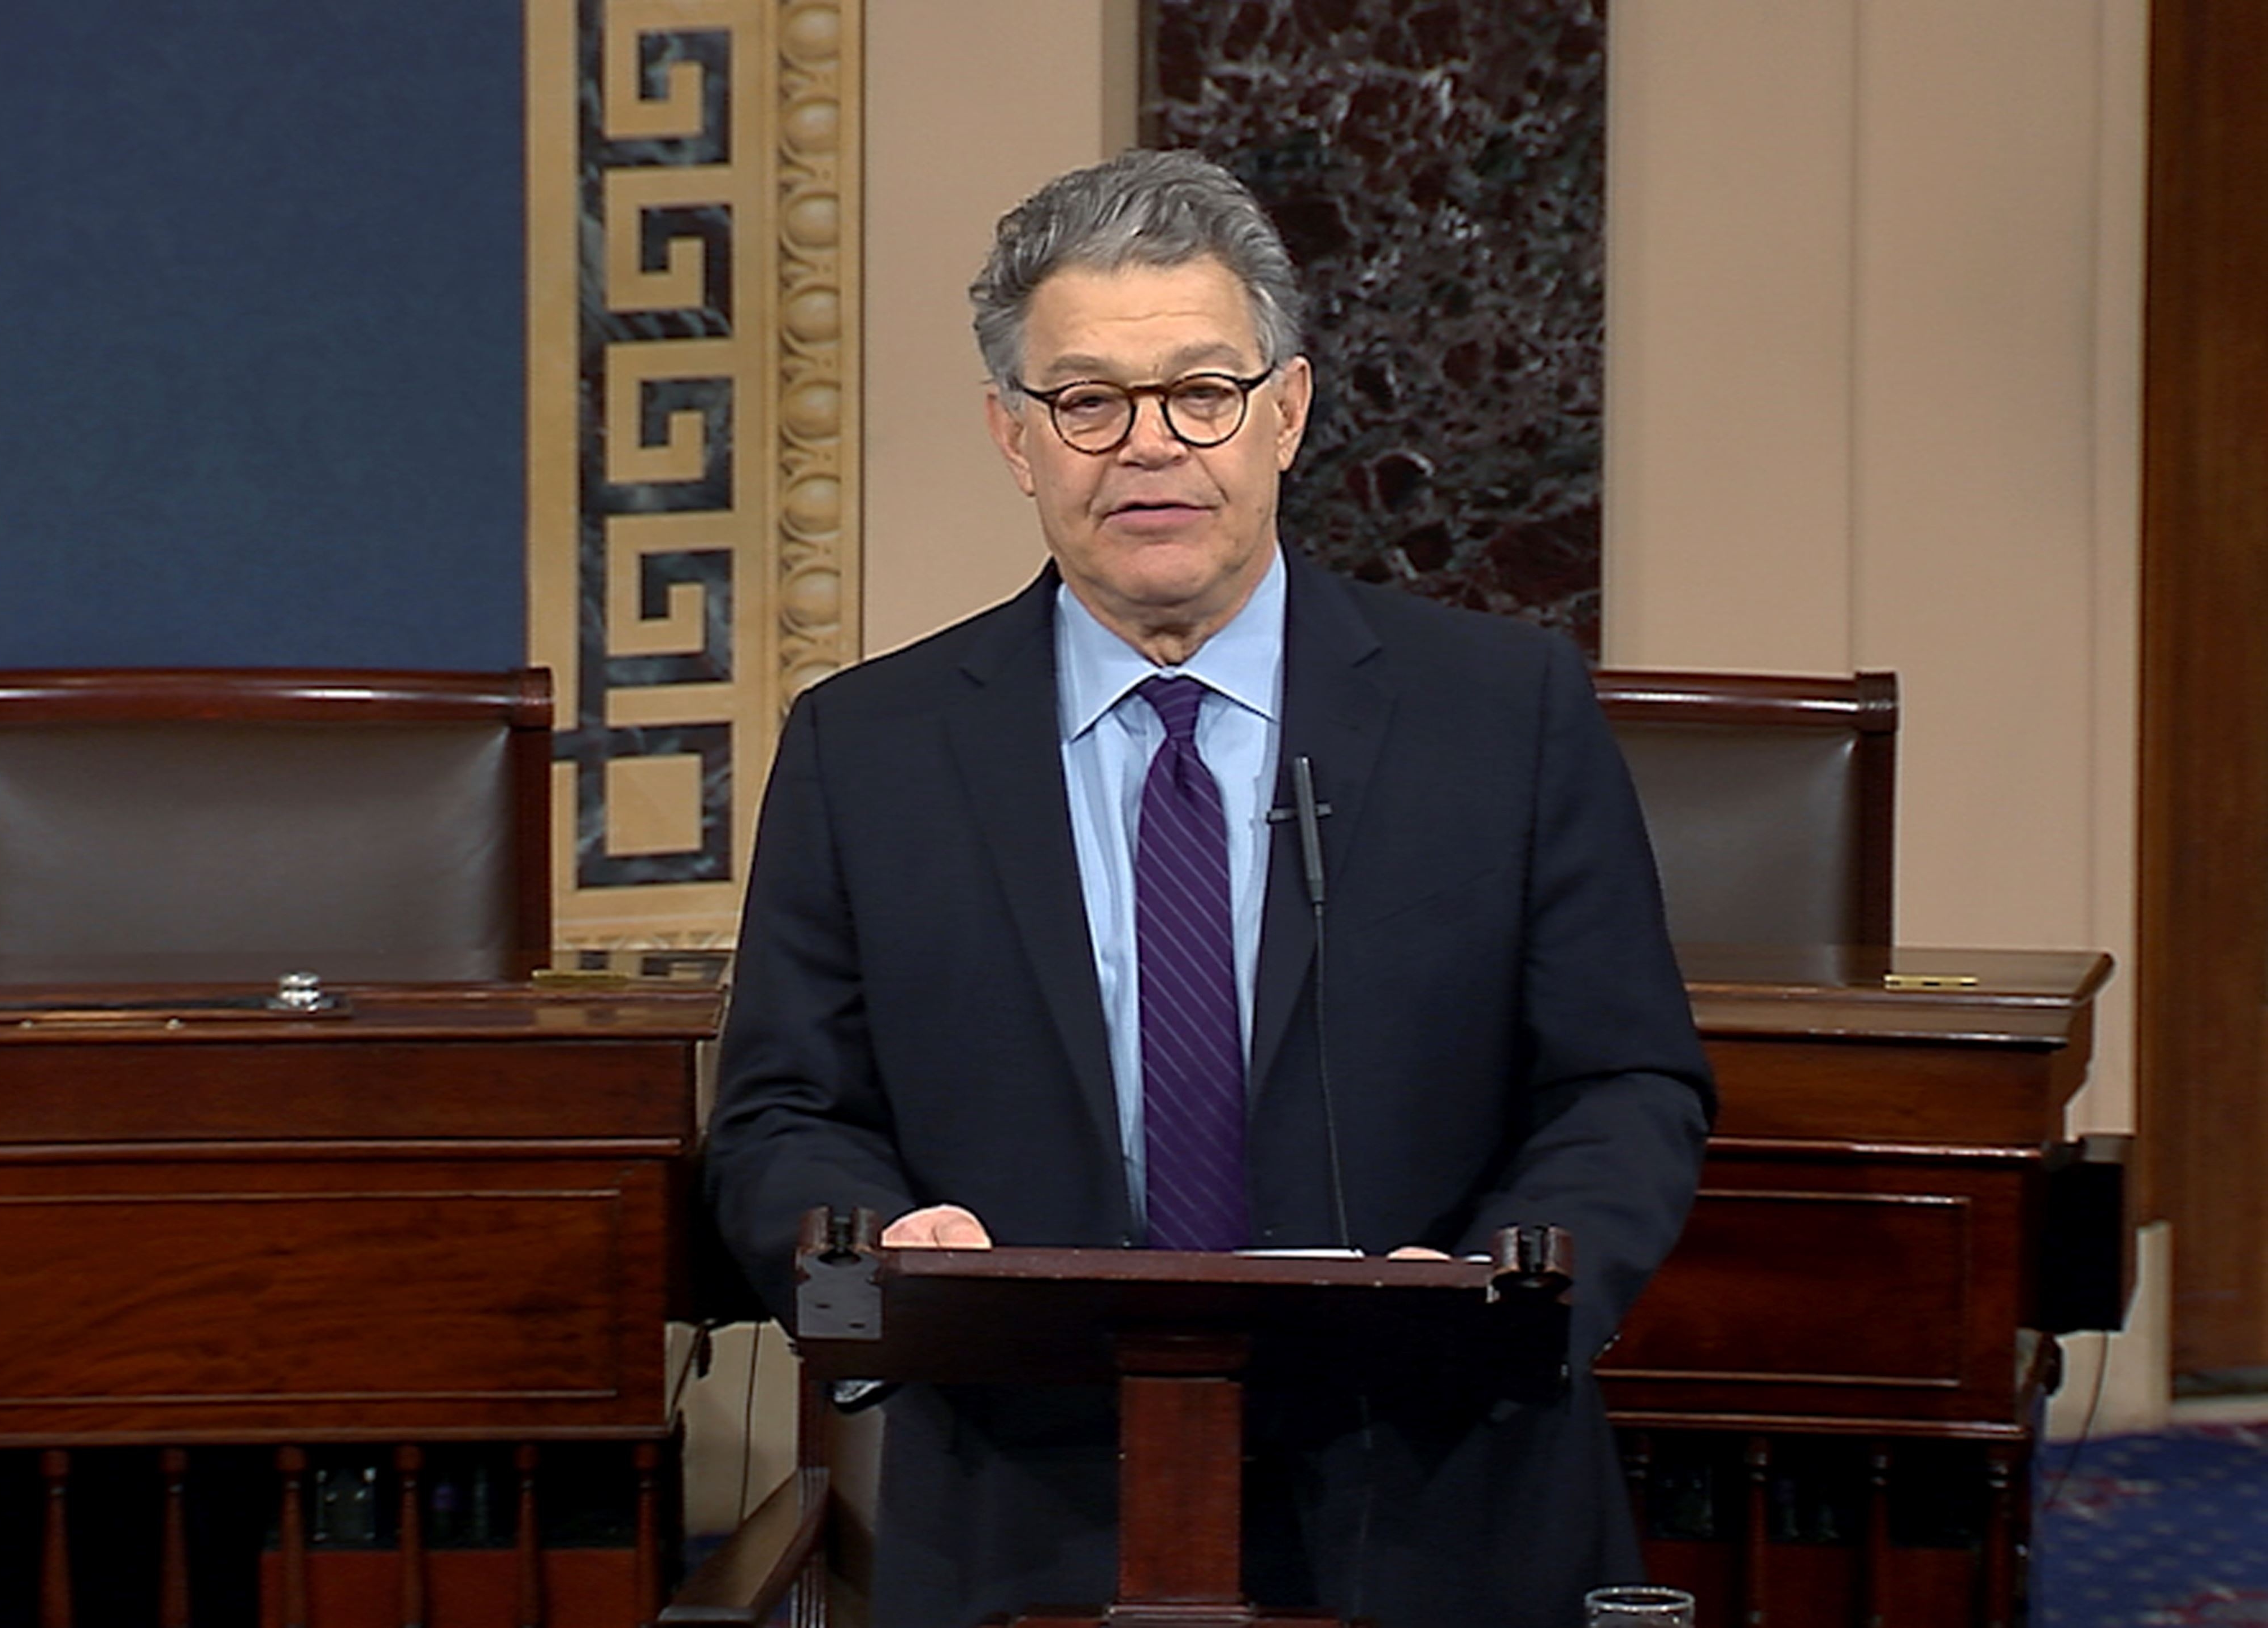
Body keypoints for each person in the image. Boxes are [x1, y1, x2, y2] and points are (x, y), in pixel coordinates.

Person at [706, 147, 1714, 1628]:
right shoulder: (869, 749)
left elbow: (1625, 1083)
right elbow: (782, 1117)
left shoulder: (1503, 714)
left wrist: (1492, 1294)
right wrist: (880, 1251)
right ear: (1013, 435)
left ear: (1286, 411)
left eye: (1201, 393)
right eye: (1087, 402)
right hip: (1027, 1509)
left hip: (1435, 1487)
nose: (1150, 447)